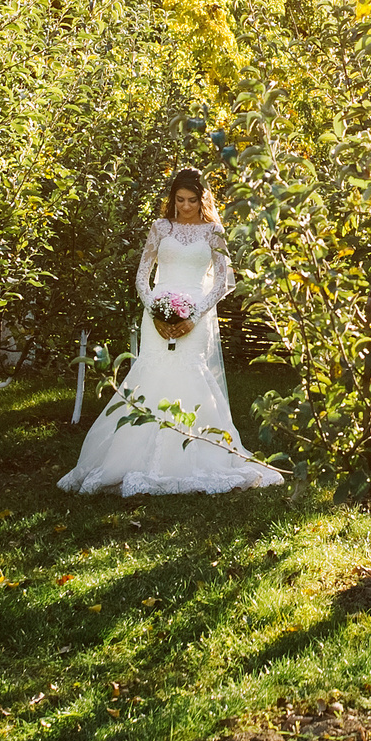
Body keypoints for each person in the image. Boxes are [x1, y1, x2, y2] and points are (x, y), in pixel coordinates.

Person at [58, 168, 282, 497]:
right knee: (149, 375)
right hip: (156, 313)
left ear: (203, 199)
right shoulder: (160, 228)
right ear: (172, 198)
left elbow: (221, 283)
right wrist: (154, 311)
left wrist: (192, 317)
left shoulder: (213, 232)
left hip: (197, 313)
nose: (186, 206)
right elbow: (142, 276)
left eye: (192, 200)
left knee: (190, 378)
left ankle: (195, 457)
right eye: (180, 200)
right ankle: (129, 456)